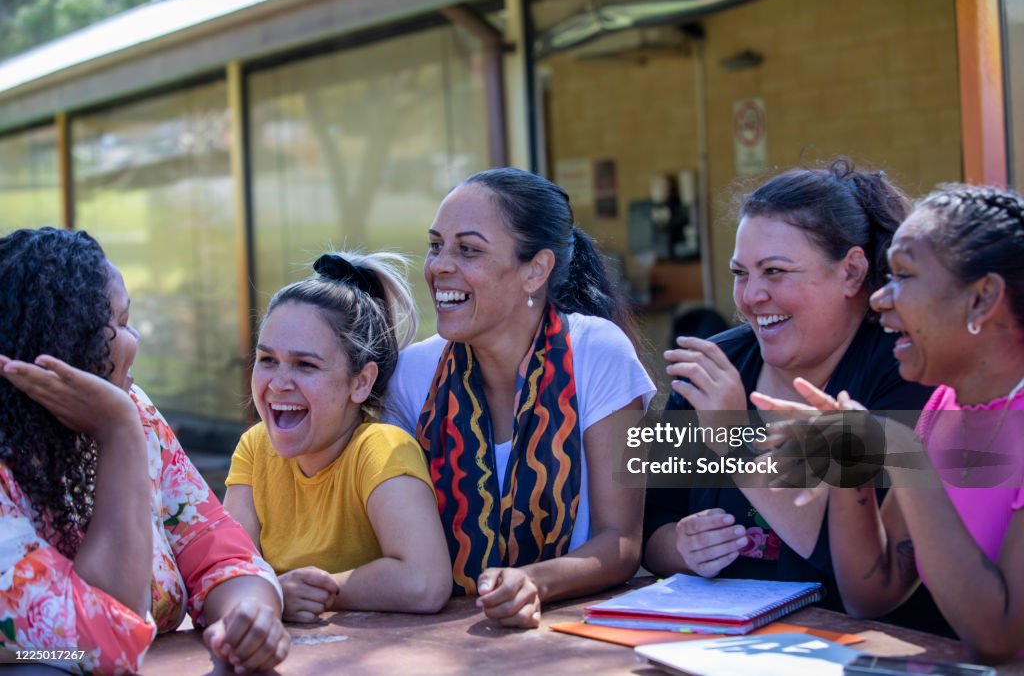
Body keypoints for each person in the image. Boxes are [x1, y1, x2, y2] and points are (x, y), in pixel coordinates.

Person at [642, 160, 935, 608]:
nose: (751, 296)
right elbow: (647, 531)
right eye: (740, 273)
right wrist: (684, 548)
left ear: (851, 272)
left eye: (775, 271)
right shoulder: (711, 366)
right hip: (720, 638)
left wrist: (735, 440)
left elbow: (855, 564)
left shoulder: (906, 368)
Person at [753, 185, 1024, 662]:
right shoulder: (943, 407)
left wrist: (901, 451)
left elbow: (999, 637)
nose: (879, 299)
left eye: (904, 276)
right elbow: (872, 593)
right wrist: (850, 462)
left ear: (983, 299)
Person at [0, 227, 288, 675]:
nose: (136, 338)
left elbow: (220, 551)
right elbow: (100, 645)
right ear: (66, 343)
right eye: (120, 322)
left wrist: (247, 618)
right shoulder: (122, 419)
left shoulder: (134, 410)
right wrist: (118, 435)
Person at [385, 167, 656, 628]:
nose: (439, 266)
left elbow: (622, 543)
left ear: (536, 270)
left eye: (468, 250)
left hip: (571, 634)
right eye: (436, 246)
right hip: (438, 634)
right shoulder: (411, 373)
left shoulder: (599, 353)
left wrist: (534, 582)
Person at [224, 251, 450, 623]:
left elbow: (424, 581)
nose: (278, 383)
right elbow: (230, 569)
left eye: (305, 365)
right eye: (267, 360)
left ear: (361, 382)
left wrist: (295, 592)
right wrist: (275, 592)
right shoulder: (254, 446)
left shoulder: (382, 448)